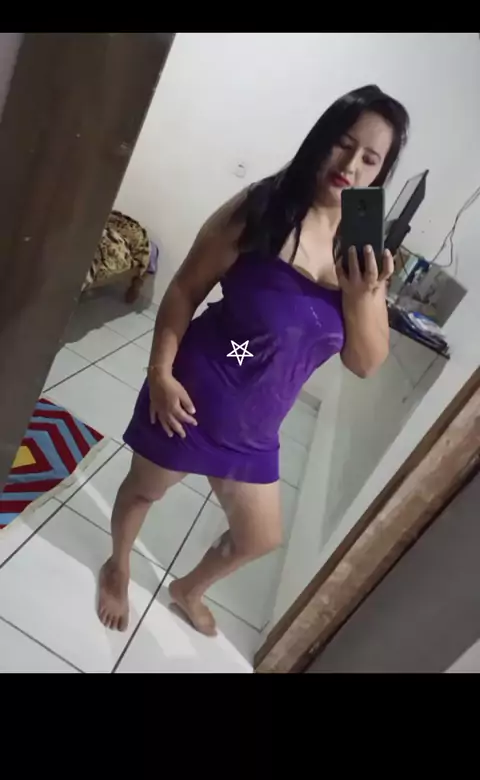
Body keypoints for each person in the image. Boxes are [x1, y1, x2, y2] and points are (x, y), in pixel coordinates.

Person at [97, 84, 409, 634]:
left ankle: (188, 589)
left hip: (257, 427)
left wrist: (364, 295)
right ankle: (117, 566)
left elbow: (364, 363)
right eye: (343, 144)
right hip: (192, 396)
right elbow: (184, 289)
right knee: (144, 489)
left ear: (382, 173)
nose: (350, 166)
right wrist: (160, 373)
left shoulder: (361, 254)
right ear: (321, 139)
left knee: (258, 538)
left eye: (370, 158)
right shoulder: (262, 208)